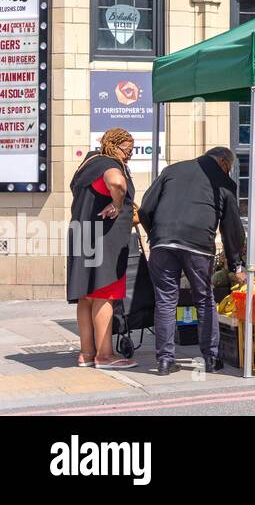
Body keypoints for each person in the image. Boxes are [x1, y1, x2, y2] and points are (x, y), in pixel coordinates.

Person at [138, 147, 245, 375]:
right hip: (198, 245)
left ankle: (165, 361)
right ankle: (211, 358)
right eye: (229, 168)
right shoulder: (223, 182)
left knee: (166, 301)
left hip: (162, 243)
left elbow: (146, 207)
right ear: (224, 163)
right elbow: (231, 228)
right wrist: (235, 263)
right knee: (204, 299)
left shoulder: (172, 170)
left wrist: (156, 235)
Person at [66, 128, 139, 370]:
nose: (128, 155)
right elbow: (116, 182)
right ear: (113, 145)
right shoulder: (109, 163)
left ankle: (86, 353)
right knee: (105, 294)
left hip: (82, 233)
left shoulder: (88, 164)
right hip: (104, 238)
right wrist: (118, 204)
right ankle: (105, 355)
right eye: (126, 150)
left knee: (85, 296)